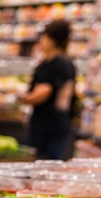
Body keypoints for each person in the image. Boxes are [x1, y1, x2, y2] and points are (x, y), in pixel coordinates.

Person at [20, 20, 77, 161]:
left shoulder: (51, 64)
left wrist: (23, 98)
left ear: (50, 40)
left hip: (46, 125)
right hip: (61, 122)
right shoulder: (68, 63)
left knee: (42, 164)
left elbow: (44, 91)